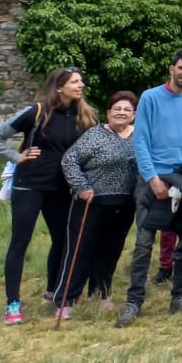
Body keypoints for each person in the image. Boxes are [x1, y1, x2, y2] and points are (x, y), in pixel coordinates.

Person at [0, 66, 96, 325]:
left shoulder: (85, 115)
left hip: (62, 188)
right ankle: (13, 303)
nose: (81, 85)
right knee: (20, 241)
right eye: (75, 82)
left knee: (62, 239)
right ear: (59, 87)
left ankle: (54, 290)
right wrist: (16, 156)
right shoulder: (36, 112)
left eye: (81, 81)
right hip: (30, 185)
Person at [114, 50, 182, 328]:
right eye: (181, 68)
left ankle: (180, 297)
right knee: (144, 243)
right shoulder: (151, 97)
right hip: (153, 176)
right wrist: (152, 178)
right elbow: (141, 140)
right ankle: (134, 300)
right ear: (172, 68)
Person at [55, 90, 138, 315]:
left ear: (133, 115)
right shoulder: (95, 135)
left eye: (127, 110)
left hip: (125, 203)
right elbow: (69, 160)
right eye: (117, 109)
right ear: (108, 113)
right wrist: (81, 187)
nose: (121, 113)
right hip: (92, 201)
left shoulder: (139, 136)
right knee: (80, 250)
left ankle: (101, 292)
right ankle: (66, 299)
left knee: (110, 250)